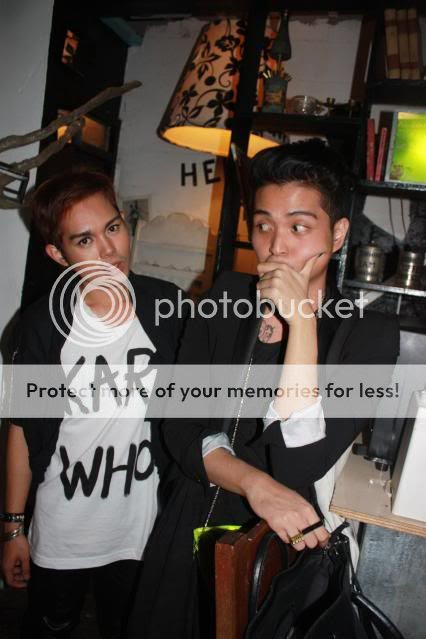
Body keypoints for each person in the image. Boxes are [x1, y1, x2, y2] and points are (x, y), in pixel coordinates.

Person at [127, 139, 400, 639]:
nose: (276, 245)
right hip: (191, 517)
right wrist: (256, 485)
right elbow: (178, 426)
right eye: (263, 224)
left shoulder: (367, 337)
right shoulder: (226, 296)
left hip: (274, 547)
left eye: (299, 227)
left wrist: (302, 324)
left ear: (338, 234)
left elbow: (297, 464)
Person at [1, 170, 187, 638]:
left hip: (140, 529)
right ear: (58, 255)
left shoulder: (167, 307)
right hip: (62, 528)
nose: (109, 250)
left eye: (113, 227)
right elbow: (23, 429)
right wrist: (12, 528)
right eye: (84, 240)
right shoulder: (42, 326)